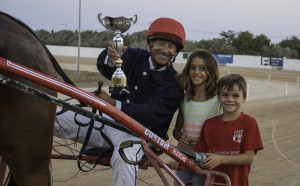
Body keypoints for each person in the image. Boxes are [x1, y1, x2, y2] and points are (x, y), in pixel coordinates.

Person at [54, 17, 185, 186]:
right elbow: (108, 68)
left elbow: (152, 115)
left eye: (171, 46)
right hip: (109, 123)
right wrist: (110, 56)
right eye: (160, 43)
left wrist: (115, 104)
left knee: (124, 157)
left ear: (176, 51)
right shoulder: (134, 55)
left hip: (142, 136)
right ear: (151, 44)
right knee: (52, 118)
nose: (165, 50)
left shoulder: (174, 84)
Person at [197, 74, 264, 186]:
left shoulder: (249, 123)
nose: (230, 99)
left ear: (244, 98)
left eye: (235, 95)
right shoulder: (209, 124)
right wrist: (179, 161)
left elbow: (248, 158)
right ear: (218, 97)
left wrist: (221, 159)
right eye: (225, 95)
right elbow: (200, 156)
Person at [168, 50, 222, 186]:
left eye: (202, 68)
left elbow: (223, 132)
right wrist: (181, 137)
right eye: (193, 67)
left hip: (205, 161)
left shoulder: (218, 101)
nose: (196, 72)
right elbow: (176, 130)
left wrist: (203, 141)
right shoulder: (185, 98)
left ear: (211, 71)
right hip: (184, 158)